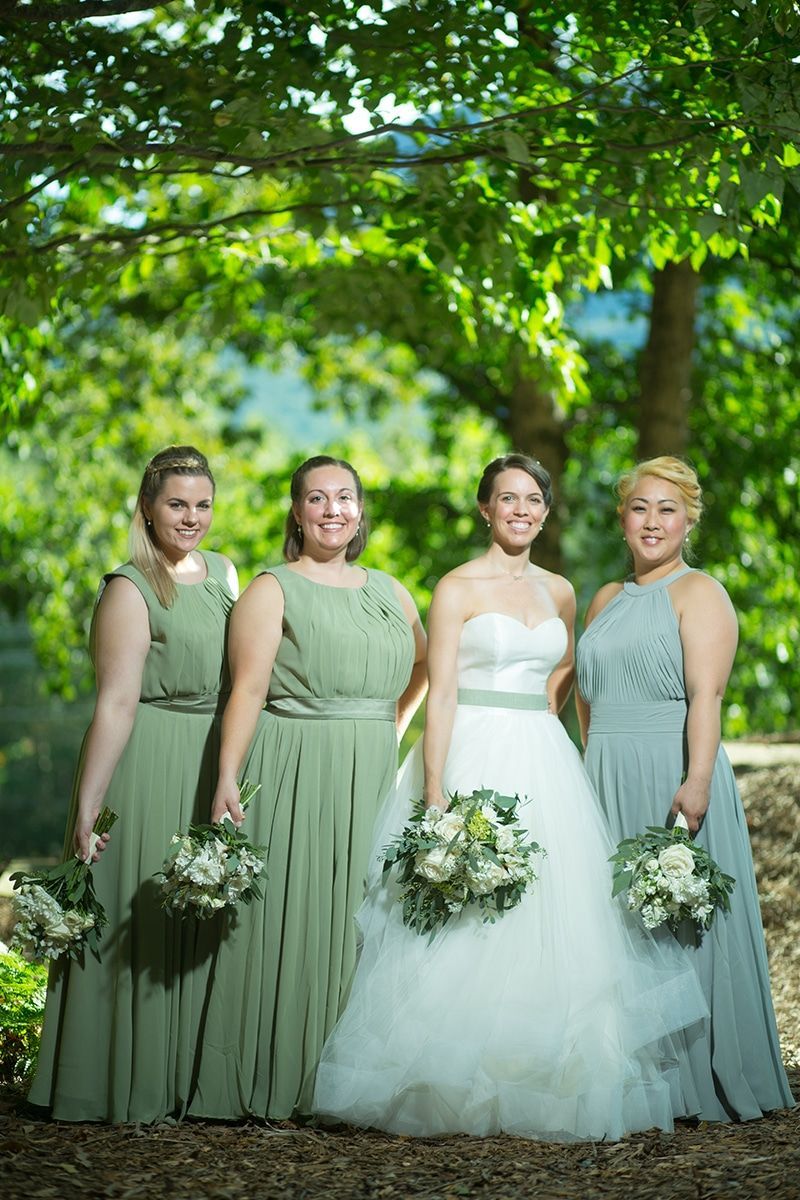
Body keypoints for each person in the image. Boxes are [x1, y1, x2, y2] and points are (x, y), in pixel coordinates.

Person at [312, 453, 708, 1142]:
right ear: (485, 508)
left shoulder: (560, 591)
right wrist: (435, 788)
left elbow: (561, 680)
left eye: (532, 500)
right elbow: (441, 696)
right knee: (462, 912)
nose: (520, 510)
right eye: (506, 499)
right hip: (470, 747)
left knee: (559, 914)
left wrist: (551, 746)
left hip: (543, 755)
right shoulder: (456, 588)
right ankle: (445, 1072)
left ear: (545, 513)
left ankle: (547, 1069)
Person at [188, 454, 427, 1121]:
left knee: (366, 913)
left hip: (372, 767)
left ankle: (353, 1079)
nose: (332, 511)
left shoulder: (391, 590)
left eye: (344, 498)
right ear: (296, 511)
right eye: (317, 499)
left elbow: (425, 665)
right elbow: (249, 689)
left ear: (360, 510)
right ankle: (277, 1075)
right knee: (294, 914)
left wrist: (390, 729)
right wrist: (227, 775)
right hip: (296, 763)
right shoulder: (272, 589)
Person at [576, 454, 794, 1122]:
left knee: (674, 923)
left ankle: (689, 1079)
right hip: (606, 771)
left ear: (688, 520)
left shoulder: (701, 593)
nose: (652, 521)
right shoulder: (606, 598)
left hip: (672, 768)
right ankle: (625, 1071)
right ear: (622, 517)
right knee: (610, 925)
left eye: (666, 509)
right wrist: (587, 771)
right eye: (639, 507)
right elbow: (587, 695)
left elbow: (708, 695)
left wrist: (695, 780)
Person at [29, 445, 239, 1123]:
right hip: (148, 760)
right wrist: (88, 811)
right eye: (177, 504)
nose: (191, 517)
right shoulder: (128, 586)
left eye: (202, 504)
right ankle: (111, 1082)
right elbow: (116, 703)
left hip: (211, 756)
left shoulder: (227, 574)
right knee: (134, 917)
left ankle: (183, 1079)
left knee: (201, 914)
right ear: (147, 507)